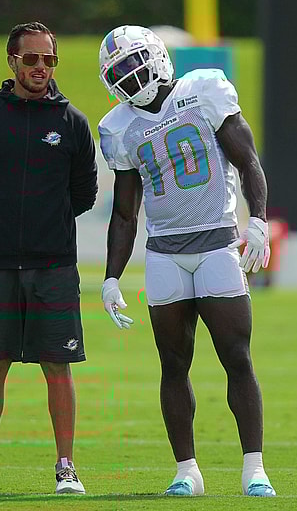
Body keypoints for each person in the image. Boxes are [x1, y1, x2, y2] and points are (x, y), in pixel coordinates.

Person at [97, 26, 276, 497]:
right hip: (164, 254)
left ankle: (254, 469)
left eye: (133, 64)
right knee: (172, 364)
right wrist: (111, 277)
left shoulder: (203, 90)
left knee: (237, 357)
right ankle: (187, 472)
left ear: (157, 57)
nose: (130, 77)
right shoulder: (118, 128)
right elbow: (124, 212)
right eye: (119, 72)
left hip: (217, 243)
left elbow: (248, 160)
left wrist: (259, 220)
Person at [0, 21, 97, 495]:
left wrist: (43, 226)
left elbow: (84, 194)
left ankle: (66, 468)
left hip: (54, 266)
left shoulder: (72, 122)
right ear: (12, 60)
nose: (40, 67)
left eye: (48, 59)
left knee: (58, 365)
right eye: (31, 58)